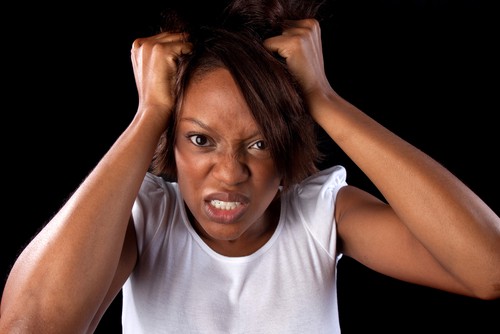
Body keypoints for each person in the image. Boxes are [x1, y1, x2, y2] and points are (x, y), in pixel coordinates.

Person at [1, 0, 499, 333]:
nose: (230, 172)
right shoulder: (144, 221)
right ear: (169, 143)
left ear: (287, 153)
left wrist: (323, 100)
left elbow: (491, 269)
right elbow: (30, 327)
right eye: (200, 139)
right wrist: (148, 115)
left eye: (259, 143)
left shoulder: (323, 217)